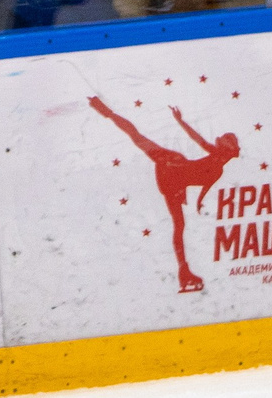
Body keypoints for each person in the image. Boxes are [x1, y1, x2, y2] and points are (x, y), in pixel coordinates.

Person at [87, 97, 239, 293]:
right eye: (224, 149)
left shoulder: (217, 165)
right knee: (138, 138)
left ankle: (184, 271)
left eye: (225, 150)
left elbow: (205, 186)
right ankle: (105, 110)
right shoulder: (216, 160)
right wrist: (180, 121)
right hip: (172, 168)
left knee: (179, 225)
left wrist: (199, 202)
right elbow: (196, 139)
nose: (223, 152)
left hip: (173, 178)